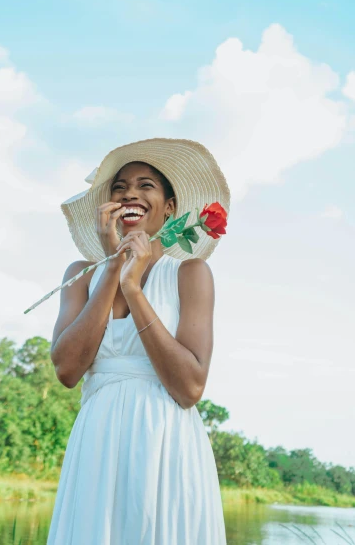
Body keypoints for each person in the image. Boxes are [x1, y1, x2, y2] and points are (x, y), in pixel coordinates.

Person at [47, 137, 230, 544]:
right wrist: (113, 268)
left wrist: (134, 289)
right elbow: (66, 370)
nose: (130, 191)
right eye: (120, 186)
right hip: (97, 442)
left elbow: (189, 387)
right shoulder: (81, 275)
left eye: (146, 185)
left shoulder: (190, 274)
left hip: (167, 443)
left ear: (169, 207)